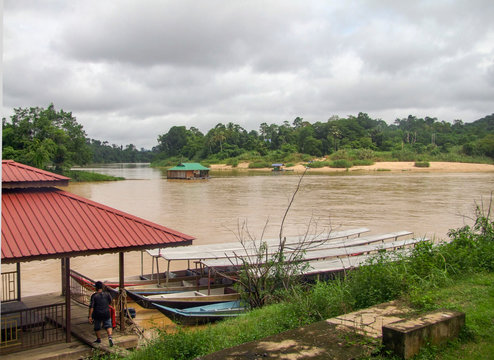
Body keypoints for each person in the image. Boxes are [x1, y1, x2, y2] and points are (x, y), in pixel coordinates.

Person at [88, 281, 114, 347]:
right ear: (102, 287)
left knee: (97, 327)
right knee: (108, 325)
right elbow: (110, 301)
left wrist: (90, 316)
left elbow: (92, 307)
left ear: (96, 288)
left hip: (97, 313)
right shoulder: (107, 294)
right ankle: (110, 337)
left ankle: (99, 339)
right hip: (106, 312)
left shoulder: (94, 296)